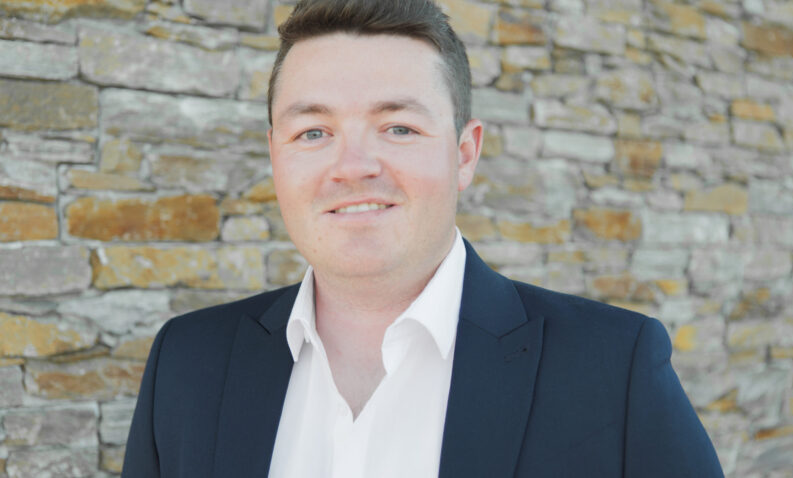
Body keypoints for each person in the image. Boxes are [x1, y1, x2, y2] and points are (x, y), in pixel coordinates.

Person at [122, 0, 724, 476]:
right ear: (274, 155)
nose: (352, 166)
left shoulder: (612, 369)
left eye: (399, 127)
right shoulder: (188, 362)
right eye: (312, 132)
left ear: (464, 153)